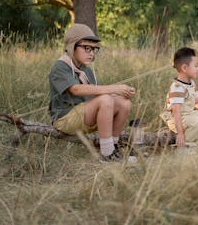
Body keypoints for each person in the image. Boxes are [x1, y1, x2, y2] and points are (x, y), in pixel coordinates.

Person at [49, 23, 135, 162]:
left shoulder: (86, 69)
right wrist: (113, 89)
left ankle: (112, 146)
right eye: (87, 48)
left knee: (123, 102)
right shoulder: (60, 66)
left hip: (83, 115)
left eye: (94, 49)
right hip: (65, 119)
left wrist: (120, 93)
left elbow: (96, 95)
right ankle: (106, 154)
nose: (91, 53)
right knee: (106, 99)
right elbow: (76, 89)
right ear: (72, 47)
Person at [160, 47, 198, 147]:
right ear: (184, 68)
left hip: (190, 115)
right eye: (195, 66)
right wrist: (180, 133)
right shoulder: (177, 87)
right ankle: (184, 145)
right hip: (177, 119)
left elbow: (197, 102)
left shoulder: (191, 83)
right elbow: (176, 111)